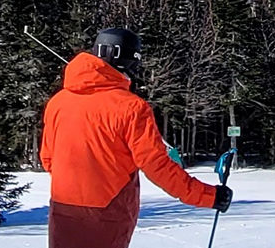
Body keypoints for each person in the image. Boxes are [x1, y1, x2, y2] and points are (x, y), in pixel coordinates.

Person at [39, 28, 233, 248]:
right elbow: (157, 166)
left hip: (63, 211)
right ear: (124, 61)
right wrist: (208, 196)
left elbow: (48, 159)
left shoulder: (58, 102)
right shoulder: (131, 108)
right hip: (108, 213)